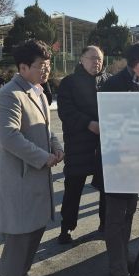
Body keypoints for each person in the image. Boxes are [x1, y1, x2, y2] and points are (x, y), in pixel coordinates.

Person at [0, 40, 64, 276]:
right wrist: (43, 157)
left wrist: (56, 145)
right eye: (41, 66)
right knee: (18, 244)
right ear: (22, 67)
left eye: (48, 65)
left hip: (37, 181)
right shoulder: (9, 95)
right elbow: (9, 137)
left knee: (34, 234)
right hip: (20, 183)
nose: (46, 70)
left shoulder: (39, 92)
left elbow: (45, 128)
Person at [99, 41, 139, 276]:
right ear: (138, 65)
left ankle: (124, 260)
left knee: (130, 213)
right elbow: (108, 124)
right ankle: (118, 271)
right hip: (116, 163)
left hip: (137, 161)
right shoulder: (114, 86)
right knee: (115, 219)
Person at [57, 46, 110, 244]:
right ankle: (66, 227)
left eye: (100, 59)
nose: (97, 62)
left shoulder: (109, 81)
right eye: (92, 58)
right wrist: (88, 123)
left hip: (104, 143)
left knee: (106, 188)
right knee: (73, 188)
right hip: (78, 143)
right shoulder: (69, 82)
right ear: (81, 59)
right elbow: (66, 111)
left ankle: (105, 224)